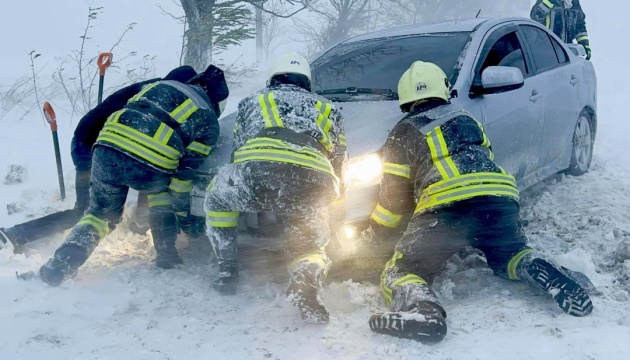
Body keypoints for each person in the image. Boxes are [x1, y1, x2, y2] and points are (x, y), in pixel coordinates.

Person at [361, 61, 594, 343]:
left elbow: (393, 203)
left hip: (446, 208)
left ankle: (423, 312)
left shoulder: (402, 132)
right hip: (499, 199)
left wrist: (374, 236)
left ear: (405, 97)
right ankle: (538, 267)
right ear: (442, 88)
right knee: (509, 254)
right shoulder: (466, 118)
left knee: (403, 269)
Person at [37, 64, 229, 286]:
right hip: (150, 164)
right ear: (217, 102)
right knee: (161, 195)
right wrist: (185, 219)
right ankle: (167, 255)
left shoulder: (157, 86)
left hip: (105, 150)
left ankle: (62, 263)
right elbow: (182, 178)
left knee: (100, 214)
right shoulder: (208, 120)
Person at [204, 53, 348, 323]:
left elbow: (238, 151)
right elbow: (340, 161)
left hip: (258, 171)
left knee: (218, 199)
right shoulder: (330, 108)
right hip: (312, 179)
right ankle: (305, 278)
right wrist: (334, 202)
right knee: (310, 244)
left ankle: (227, 269)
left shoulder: (252, 101)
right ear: (307, 82)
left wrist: (251, 187)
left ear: (272, 79)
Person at [0, 66, 200, 253]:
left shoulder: (157, 92)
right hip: (91, 146)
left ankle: (139, 223)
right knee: (85, 210)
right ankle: (15, 234)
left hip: (106, 145)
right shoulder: (157, 98)